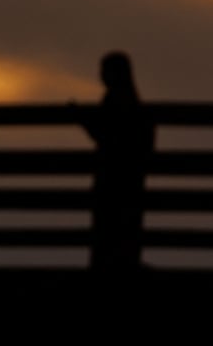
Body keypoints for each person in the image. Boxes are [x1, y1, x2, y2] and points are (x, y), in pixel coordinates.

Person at [78, 51, 155, 272]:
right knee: (127, 233)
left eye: (104, 70)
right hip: (131, 183)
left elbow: (103, 133)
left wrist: (82, 119)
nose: (100, 75)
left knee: (105, 233)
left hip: (110, 182)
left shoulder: (113, 99)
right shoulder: (134, 101)